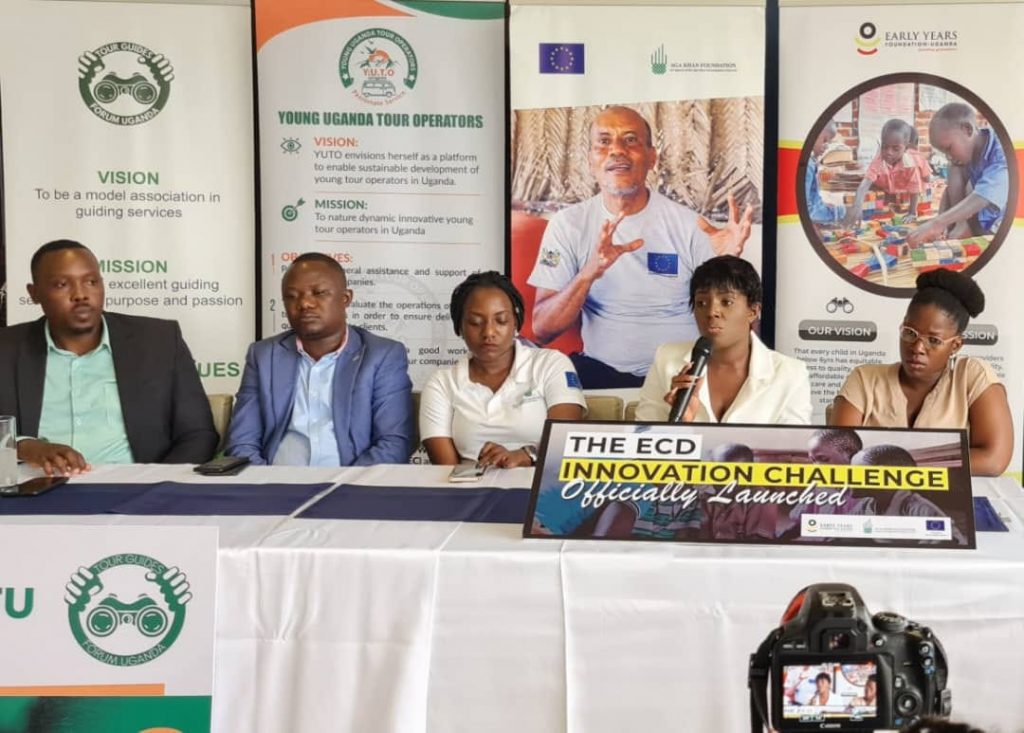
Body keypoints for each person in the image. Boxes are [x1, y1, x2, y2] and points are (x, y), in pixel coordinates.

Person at [526, 105, 754, 387]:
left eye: (630, 140)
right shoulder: (568, 224)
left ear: (651, 157)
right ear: (590, 160)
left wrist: (728, 265)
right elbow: (542, 329)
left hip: (681, 377)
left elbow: (737, 322)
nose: (616, 150)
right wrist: (588, 273)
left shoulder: (690, 225)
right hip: (599, 373)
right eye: (604, 141)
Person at [0, 239, 217, 474]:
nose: (80, 294)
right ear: (34, 293)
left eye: (91, 282)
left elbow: (198, 434)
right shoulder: (7, 348)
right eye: (62, 284)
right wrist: (23, 446)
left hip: (134, 487)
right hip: (36, 486)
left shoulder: (159, 342)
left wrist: (157, 483)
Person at [225, 253, 413, 465]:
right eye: (292, 296)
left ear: (345, 299)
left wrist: (347, 483)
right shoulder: (264, 356)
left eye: (319, 293)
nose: (305, 303)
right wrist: (265, 481)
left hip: (352, 481)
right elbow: (242, 442)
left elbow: (393, 444)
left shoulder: (382, 355)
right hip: (275, 479)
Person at [831, 269, 1012, 476]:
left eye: (933, 340)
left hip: (955, 496)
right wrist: (933, 461)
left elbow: (994, 460)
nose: (917, 347)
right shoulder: (864, 379)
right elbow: (841, 457)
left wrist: (904, 464)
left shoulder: (972, 376)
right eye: (910, 333)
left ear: (955, 345)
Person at [419, 271, 585, 467]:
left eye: (501, 320)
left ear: (516, 323)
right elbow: (445, 471)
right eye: (475, 322)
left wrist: (525, 455)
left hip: (539, 482)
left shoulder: (551, 364)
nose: (489, 332)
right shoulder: (442, 383)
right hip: (469, 484)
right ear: (459, 327)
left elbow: (565, 438)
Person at [636, 256, 811, 424]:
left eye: (726, 302)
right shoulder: (666, 359)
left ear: (753, 311)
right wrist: (682, 424)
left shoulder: (790, 374)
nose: (712, 312)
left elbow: (794, 445)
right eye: (701, 303)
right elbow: (641, 436)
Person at [907, 103, 1008, 247]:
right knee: (955, 166)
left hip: (1002, 228)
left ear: (967, 130)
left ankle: (963, 227)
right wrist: (941, 224)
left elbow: (984, 196)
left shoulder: (1003, 151)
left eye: (949, 148)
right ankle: (961, 225)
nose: (948, 156)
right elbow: (949, 191)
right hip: (976, 218)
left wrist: (937, 223)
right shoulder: (969, 149)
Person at [846, 119, 931, 226]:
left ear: (906, 148)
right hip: (891, 190)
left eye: (895, 149)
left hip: (908, 192)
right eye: (885, 147)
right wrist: (857, 206)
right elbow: (865, 184)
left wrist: (912, 213)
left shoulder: (911, 164)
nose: (888, 152)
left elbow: (914, 191)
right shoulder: (879, 158)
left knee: (921, 191)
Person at [806, 120, 846, 225]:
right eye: (824, 140)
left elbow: (812, 197)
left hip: (817, 209)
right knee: (842, 211)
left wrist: (823, 204)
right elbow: (805, 209)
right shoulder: (808, 165)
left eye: (828, 143)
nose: (826, 146)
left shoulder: (812, 162)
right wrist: (834, 212)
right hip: (815, 216)